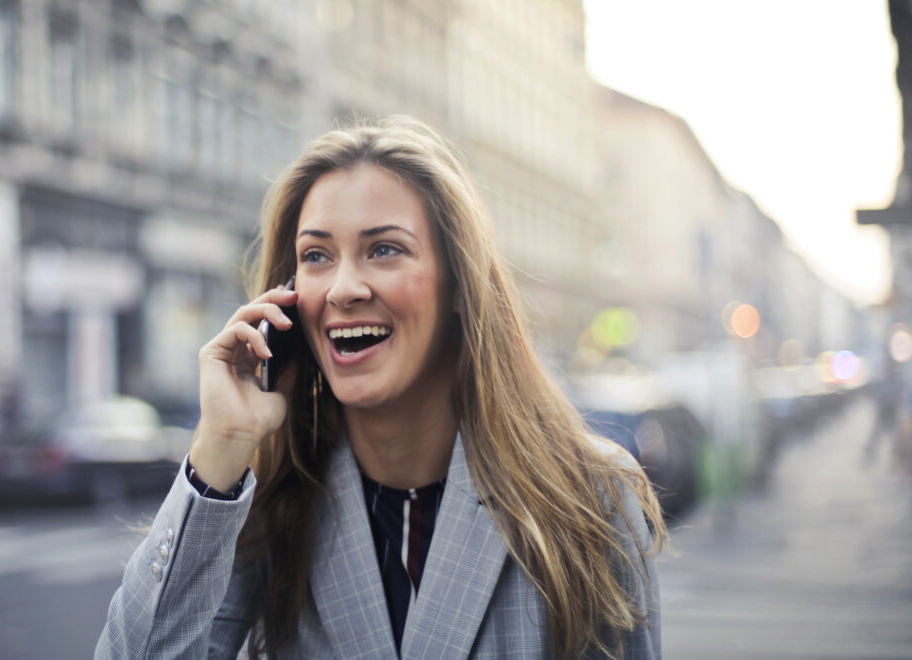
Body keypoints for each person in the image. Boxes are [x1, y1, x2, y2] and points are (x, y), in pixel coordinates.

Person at [95, 116, 666, 659]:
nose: (343, 288)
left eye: (384, 249)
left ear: (459, 285)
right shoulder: (273, 503)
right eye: (316, 256)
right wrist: (221, 444)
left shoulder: (587, 494)